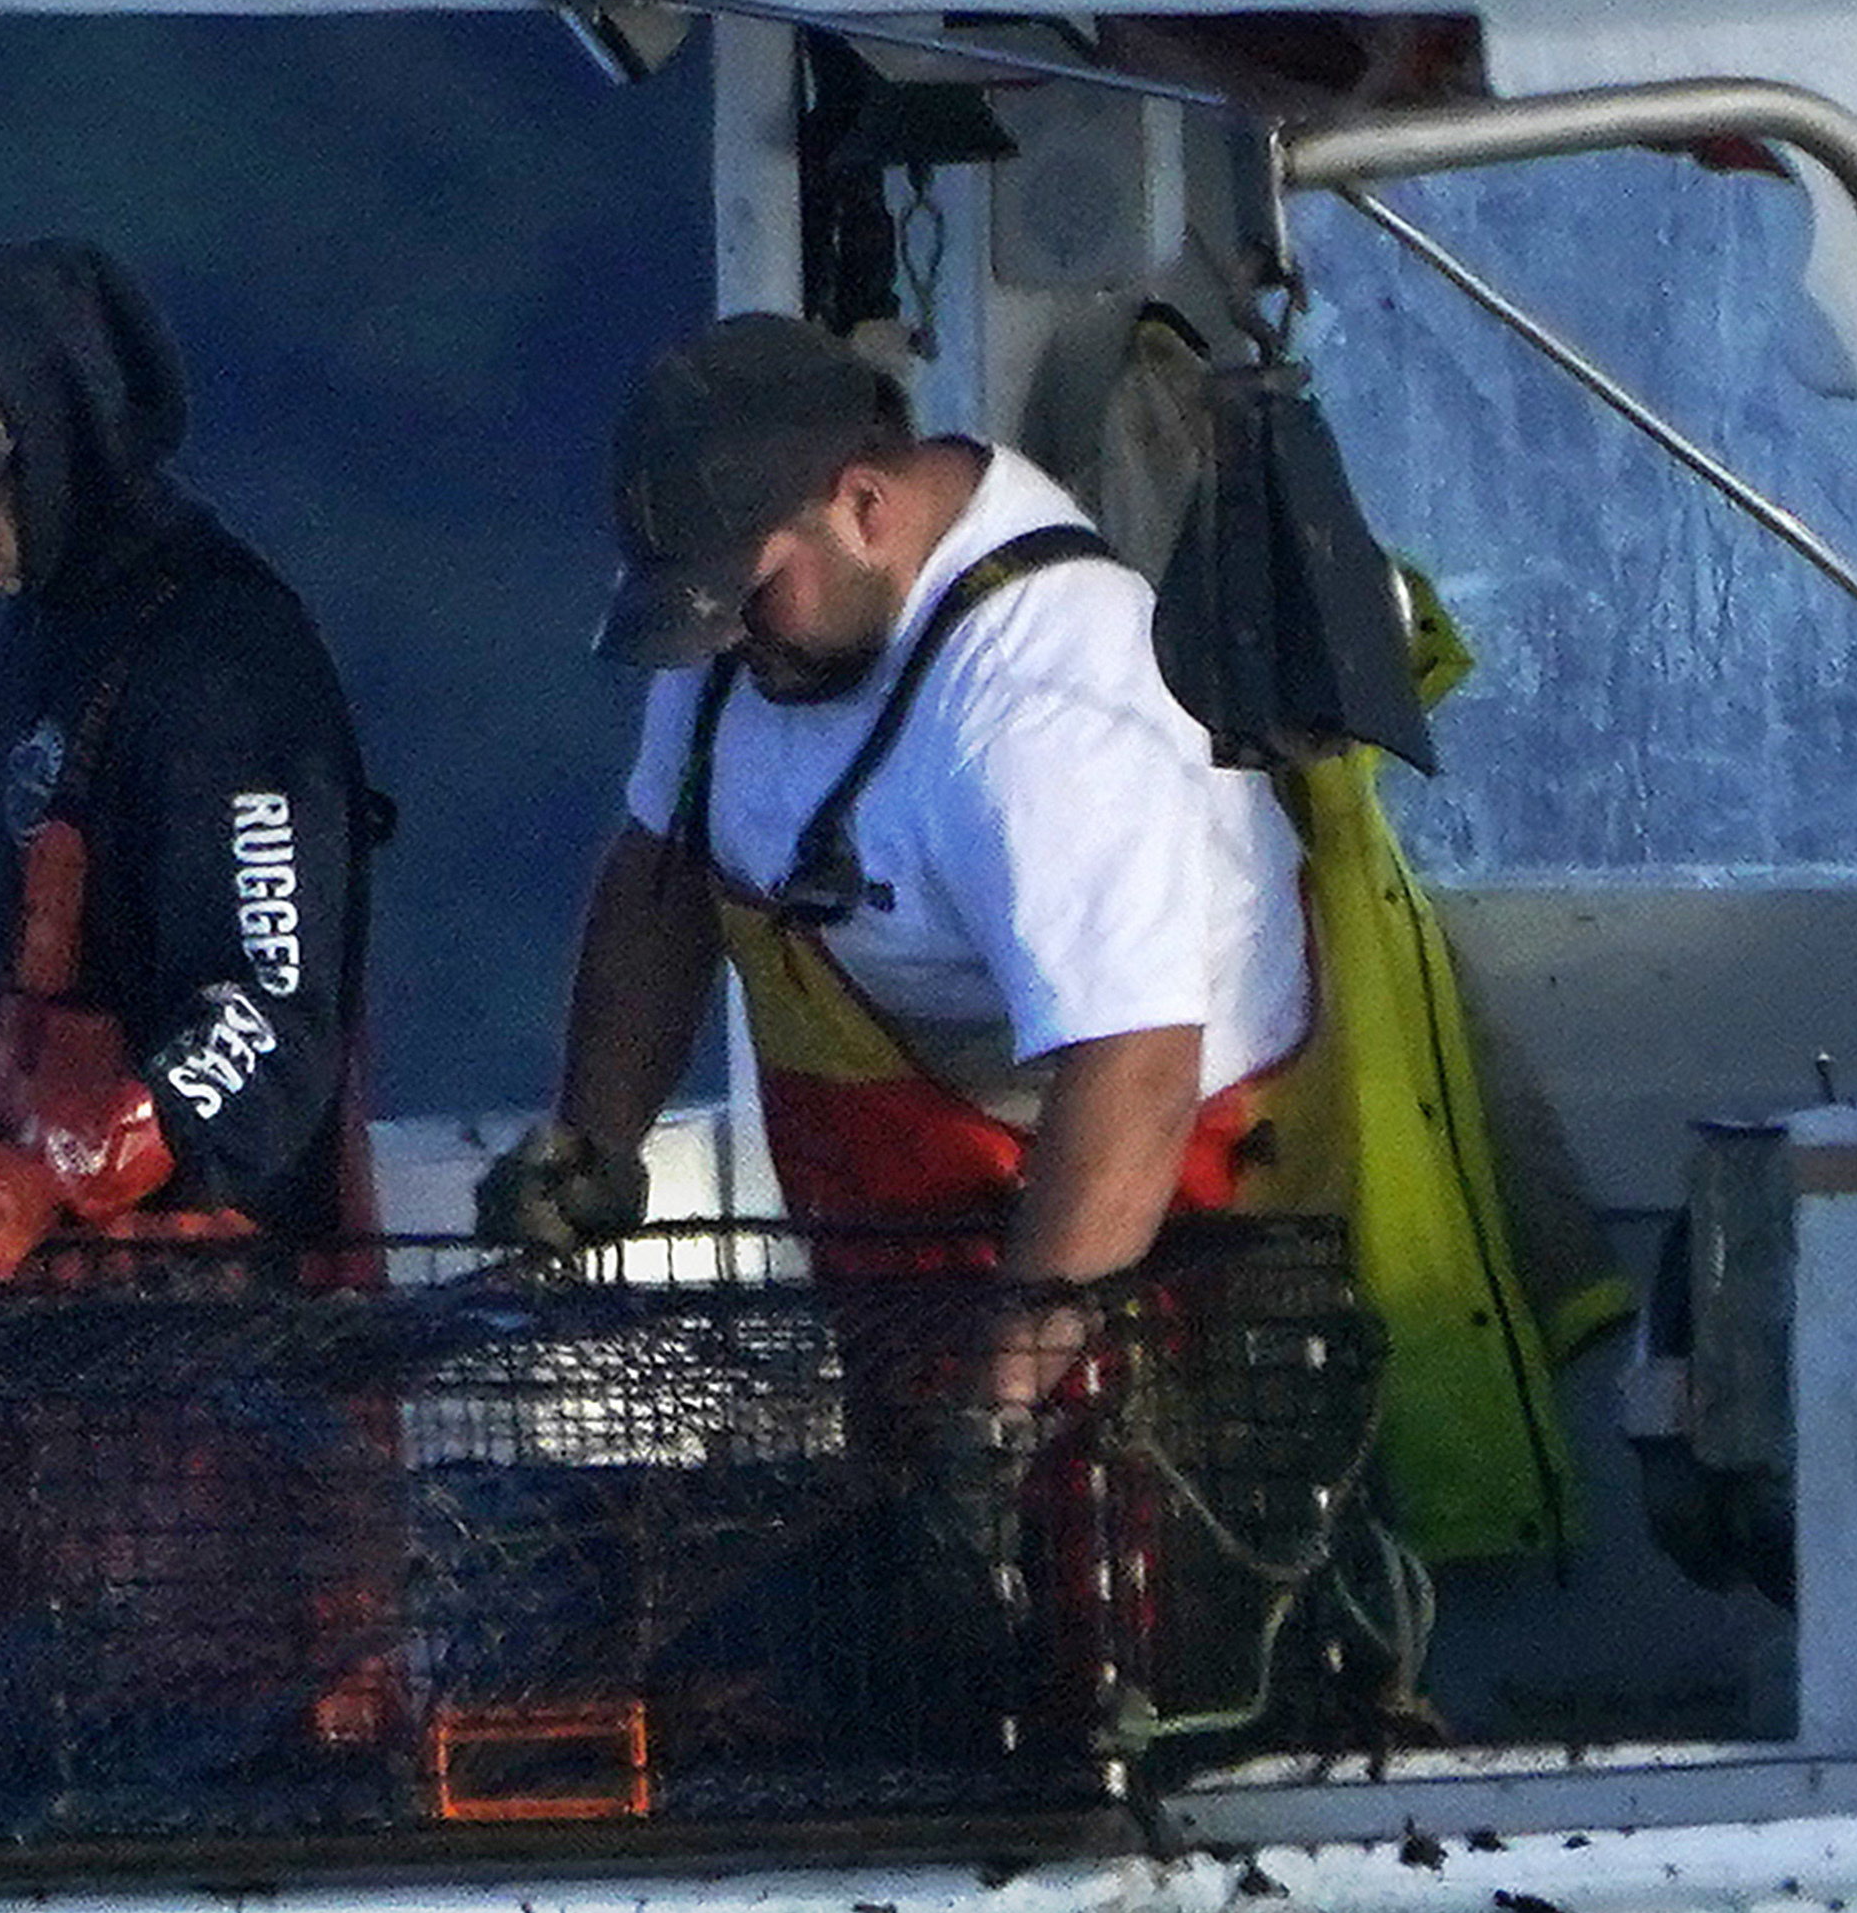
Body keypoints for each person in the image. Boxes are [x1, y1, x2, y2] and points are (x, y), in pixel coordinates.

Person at [483, 315, 1308, 1293]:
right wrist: (590, 1151)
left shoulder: (1049, 695)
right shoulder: (737, 622)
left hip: (1180, 1192)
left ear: (865, 506)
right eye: (693, 610)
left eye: (747, 598)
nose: (724, 640)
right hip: (920, 1198)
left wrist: (1011, 1384)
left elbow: (1137, 1068)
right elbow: (662, 877)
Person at [0, 239, 380, 1281]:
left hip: (230, 1318)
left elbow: (272, 1022)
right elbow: (15, 984)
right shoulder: (10, 630)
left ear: (60, 440)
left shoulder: (223, 659)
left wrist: (58, 1171)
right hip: (43, 1315)